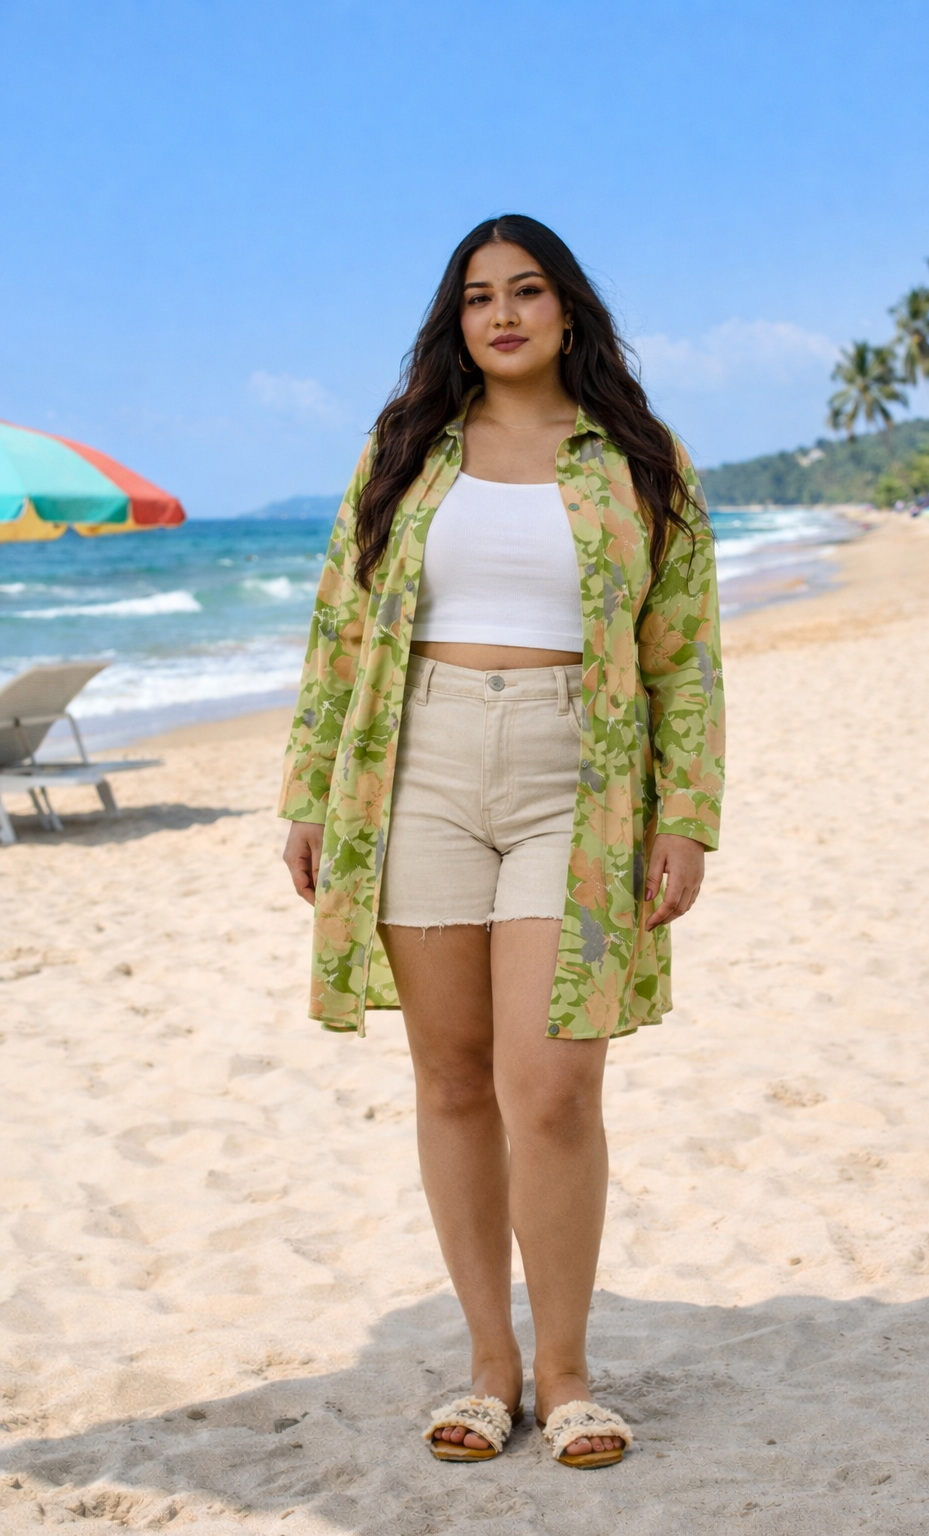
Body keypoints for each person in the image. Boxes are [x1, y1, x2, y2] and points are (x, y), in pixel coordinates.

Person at [281, 215, 724, 1468]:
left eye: (528, 291)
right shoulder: (405, 451)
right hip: (415, 767)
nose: (504, 314)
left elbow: (685, 657)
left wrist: (686, 817)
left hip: (574, 774)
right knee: (452, 1077)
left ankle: (570, 1372)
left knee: (556, 1085)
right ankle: (491, 1369)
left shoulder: (638, 457)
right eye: (479, 297)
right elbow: (336, 630)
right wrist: (310, 795)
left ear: (568, 310)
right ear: (455, 321)